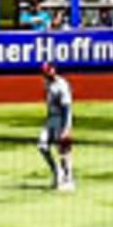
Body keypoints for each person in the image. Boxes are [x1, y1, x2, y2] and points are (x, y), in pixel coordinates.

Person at [37, 62, 76, 192]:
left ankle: (69, 179)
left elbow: (67, 109)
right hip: (51, 119)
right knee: (42, 145)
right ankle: (57, 172)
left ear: (53, 70)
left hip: (62, 119)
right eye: (43, 71)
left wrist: (66, 129)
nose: (45, 73)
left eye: (47, 70)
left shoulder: (62, 85)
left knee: (63, 150)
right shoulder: (46, 82)